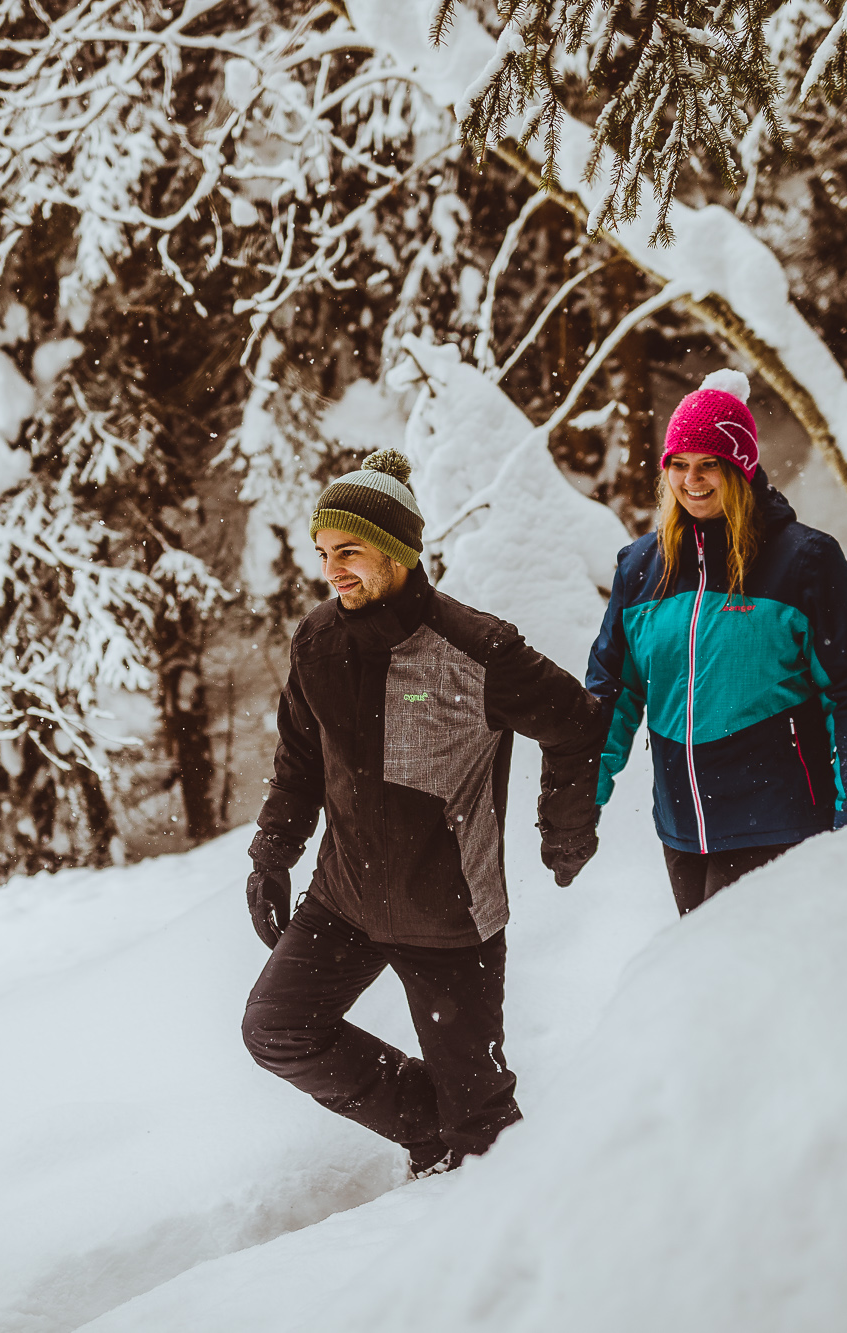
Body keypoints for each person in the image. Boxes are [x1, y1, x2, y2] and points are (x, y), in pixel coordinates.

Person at [242, 448, 604, 1178]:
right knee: (277, 1029)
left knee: (488, 1133)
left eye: (349, 550)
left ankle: (486, 1185)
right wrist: (271, 854)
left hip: (450, 918)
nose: (331, 569)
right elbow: (300, 762)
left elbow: (577, 722)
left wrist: (566, 833)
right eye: (323, 552)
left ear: (399, 553)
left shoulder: (477, 648)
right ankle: (426, 1127)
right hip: (344, 897)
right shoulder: (317, 641)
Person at [584, 369, 847, 915]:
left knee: (749, 984)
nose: (692, 480)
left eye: (710, 465)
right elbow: (612, 692)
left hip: (779, 819)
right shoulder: (640, 569)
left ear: (742, 468)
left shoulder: (804, 561)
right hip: (682, 829)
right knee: (711, 985)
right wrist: (579, 799)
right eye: (678, 465)